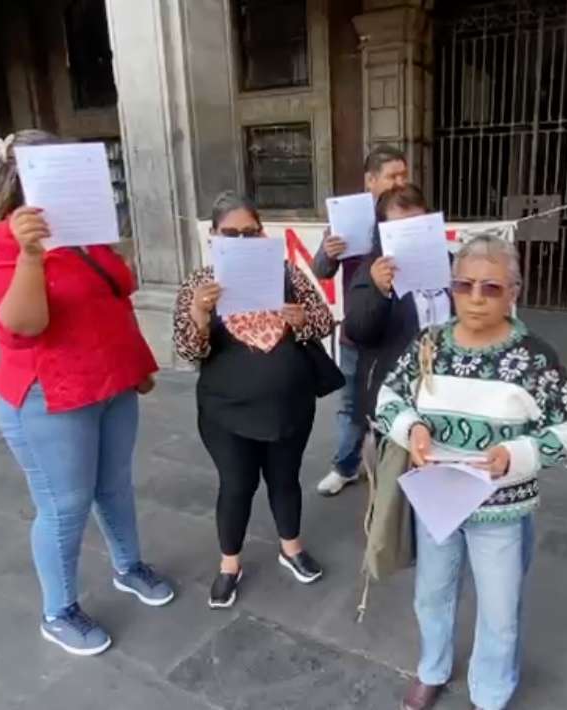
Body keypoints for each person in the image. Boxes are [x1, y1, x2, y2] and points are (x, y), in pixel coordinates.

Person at [0, 130, 176, 657]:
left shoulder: (84, 235)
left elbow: (114, 302)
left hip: (110, 384)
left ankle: (128, 567)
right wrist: (30, 256)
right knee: (64, 506)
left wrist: (137, 367)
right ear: (20, 176)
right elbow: (21, 327)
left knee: (115, 487)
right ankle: (57, 611)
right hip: (48, 396)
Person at [385, 235, 567, 710]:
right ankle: (432, 667)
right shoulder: (429, 344)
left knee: (498, 609)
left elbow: (566, 428)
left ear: (513, 290)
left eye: (491, 287)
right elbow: (390, 398)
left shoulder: (534, 358)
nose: (475, 298)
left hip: (501, 506)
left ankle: (491, 691)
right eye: (464, 285)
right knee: (432, 592)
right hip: (438, 499)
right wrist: (411, 431)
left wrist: (514, 456)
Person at [173, 192, 336, 609]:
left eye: (251, 232)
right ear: (213, 237)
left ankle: (292, 548)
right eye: (232, 234)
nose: (243, 241)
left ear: (263, 233)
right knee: (236, 484)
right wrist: (199, 315)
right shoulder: (199, 284)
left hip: (289, 406)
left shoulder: (287, 274)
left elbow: (323, 320)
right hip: (226, 412)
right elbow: (189, 350)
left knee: (286, 479)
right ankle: (230, 565)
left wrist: (302, 319)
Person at [311, 145, 410, 497]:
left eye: (404, 174)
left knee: (395, 403)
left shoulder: (410, 215)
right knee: (351, 405)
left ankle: (390, 470)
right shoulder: (346, 218)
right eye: (392, 176)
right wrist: (327, 252)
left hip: (400, 333)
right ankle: (346, 466)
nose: (400, 182)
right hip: (357, 332)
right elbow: (320, 270)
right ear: (370, 180)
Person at [344, 184, 454, 444]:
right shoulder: (372, 271)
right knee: (396, 477)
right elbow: (358, 331)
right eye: (401, 229)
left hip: (448, 388)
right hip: (395, 393)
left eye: (418, 224)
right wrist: (378, 291)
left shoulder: (452, 264)